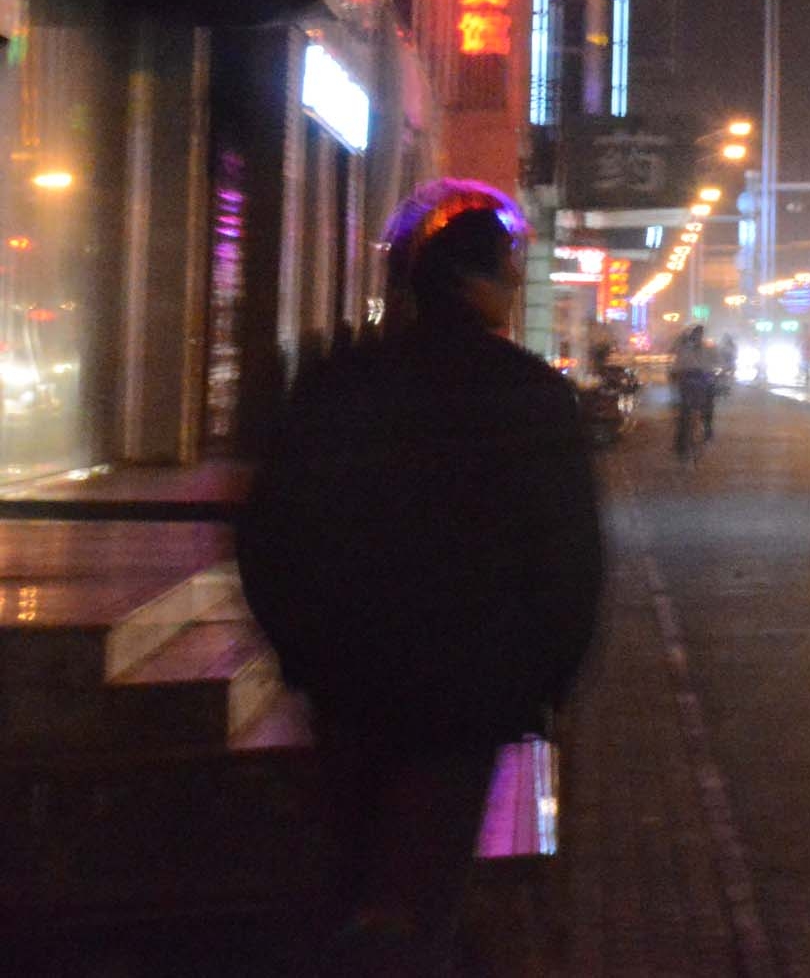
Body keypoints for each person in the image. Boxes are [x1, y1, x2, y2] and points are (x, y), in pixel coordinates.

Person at [238, 181, 604, 977]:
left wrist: (304, 655)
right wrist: (543, 682)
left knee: (357, 873)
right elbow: (570, 558)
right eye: (506, 269)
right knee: (424, 893)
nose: (514, 285)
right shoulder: (532, 396)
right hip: (466, 693)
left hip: (352, 685)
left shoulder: (342, 384)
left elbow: (270, 529)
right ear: (475, 280)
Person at [670, 322, 720, 459]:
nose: (698, 336)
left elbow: (713, 363)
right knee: (685, 412)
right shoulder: (684, 347)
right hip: (687, 380)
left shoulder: (705, 347)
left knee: (703, 406)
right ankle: (683, 443)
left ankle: (706, 430)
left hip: (698, 380)